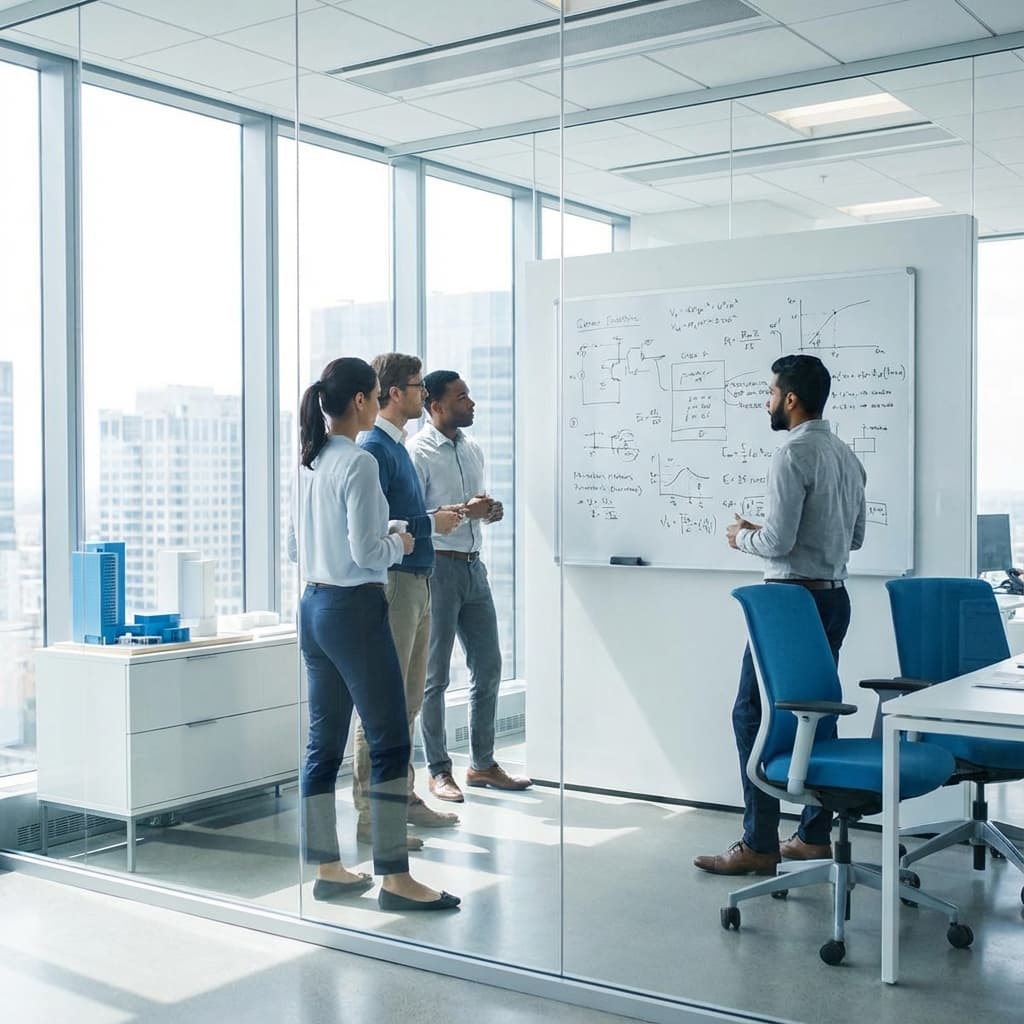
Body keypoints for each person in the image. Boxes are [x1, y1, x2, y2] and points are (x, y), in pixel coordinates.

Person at [290, 356, 459, 911]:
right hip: (353, 610)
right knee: (389, 740)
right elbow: (367, 554)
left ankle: (328, 869)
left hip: (313, 606)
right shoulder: (359, 461)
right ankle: (395, 878)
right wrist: (401, 544)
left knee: (323, 744)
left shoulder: (311, 461)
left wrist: (382, 535)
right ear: (364, 400)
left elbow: (305, 547)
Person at [694, 353, 866, 876]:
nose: (766, 401)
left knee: (751, 713)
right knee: (819, 712)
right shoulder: (846, 454)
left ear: (791, 398)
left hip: (792, 603)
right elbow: (854, 538)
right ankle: (814, 835)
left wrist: (742, 534)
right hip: (834, 598)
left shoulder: (792, 454)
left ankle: (759, 842)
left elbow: (778, 541)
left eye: (770, 392)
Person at [352, 353, 463, 848]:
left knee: (409, 702)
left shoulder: (395, 447)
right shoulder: (374, 448)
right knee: (384, 705)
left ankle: (403, 800)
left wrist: (439, 517)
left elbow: (403, 514)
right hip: (395, 582)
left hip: (418, 582)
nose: (424, 395)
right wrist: (428, 525)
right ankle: (372, 816)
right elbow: (375, 530)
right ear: (394, 393)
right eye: (418, 387)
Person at [407, 370, 532, 803]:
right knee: (434, 676)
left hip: (474, 569)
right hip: (437, 571)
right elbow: (415, 519)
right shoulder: (417, 452)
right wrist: (467, 510)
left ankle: (482, 764)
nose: (472, 403)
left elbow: (470, 507)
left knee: (490, 666)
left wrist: (488, 510)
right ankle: (439, 770)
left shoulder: (472, 448)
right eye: (462, 397)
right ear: (436, 406)